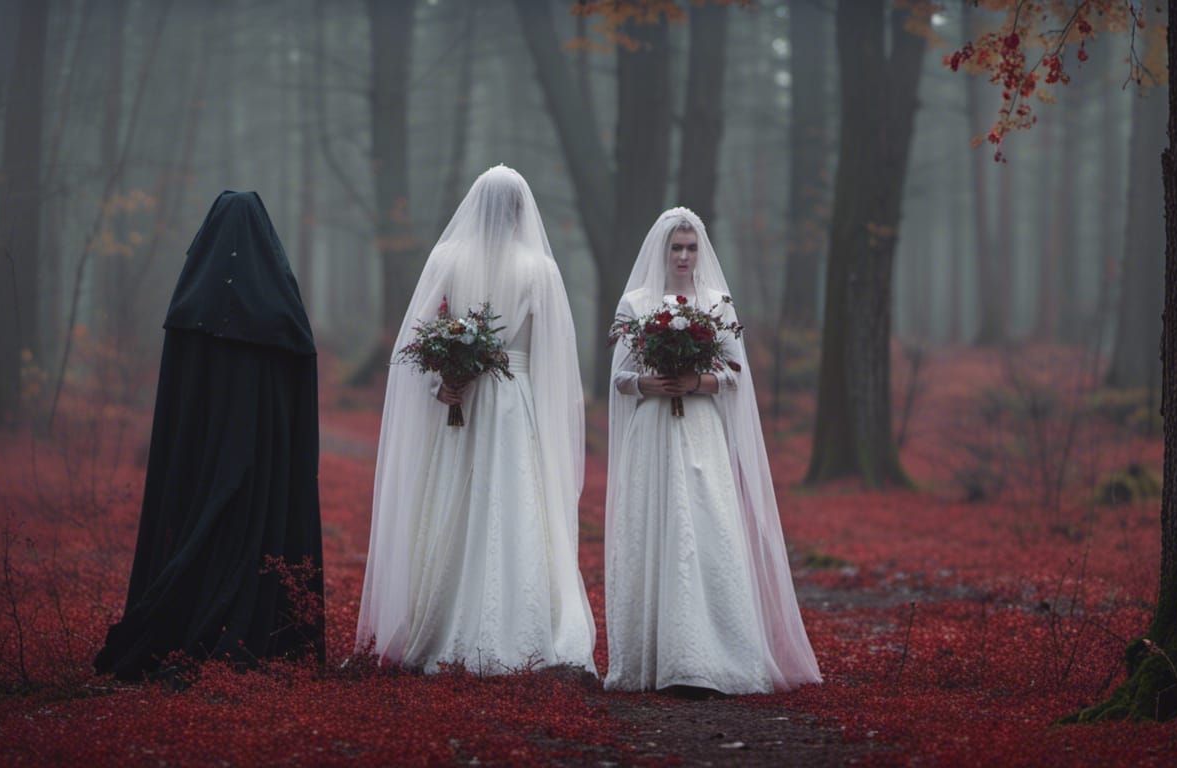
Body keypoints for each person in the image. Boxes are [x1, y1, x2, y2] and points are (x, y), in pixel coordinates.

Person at [355, 165, 595, 675]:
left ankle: (449, 621)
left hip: (463, 401)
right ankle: (514, 625)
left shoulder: (449, 258)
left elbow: (413, 341)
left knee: (459, 500)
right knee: (508, 502)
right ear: (520, 211)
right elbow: (553, 357)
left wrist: (439, 382)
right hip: (510, 402)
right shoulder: (539, 269)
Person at [94, 190, 324, 680]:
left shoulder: (191, 305)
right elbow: (298, 397)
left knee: (207, 528)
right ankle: (251, 630)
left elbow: (177, 410)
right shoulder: (280, 311)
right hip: (263, 469)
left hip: (199, 469)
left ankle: (184, 624)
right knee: (246, 531)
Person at [604, 207, 821, 694]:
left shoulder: (719, 304)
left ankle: (711, 654)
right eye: (676, 247)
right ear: (662, 251)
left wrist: (697, 381)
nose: (683, 256)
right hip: (652, 432)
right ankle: (655, 655)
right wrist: (650, 383)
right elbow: (617, 379)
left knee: (706, 530)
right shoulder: (635, 303)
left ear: (701, 251)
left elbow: (735, 374)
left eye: (691, 247)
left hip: (700, 429)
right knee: (655, 529)